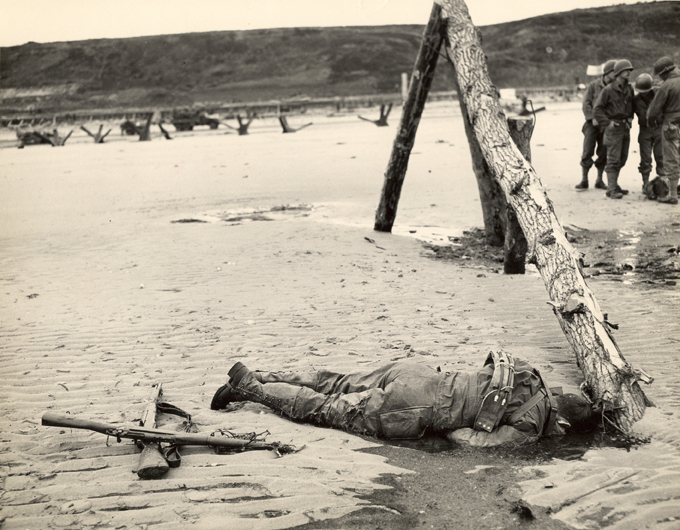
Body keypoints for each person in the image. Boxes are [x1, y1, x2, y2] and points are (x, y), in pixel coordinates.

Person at [210, 353, 596, 447]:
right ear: (561, 423)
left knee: (338, 382)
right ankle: (250, 387)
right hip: (420, 406)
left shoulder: (530, 374)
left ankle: (264, 373)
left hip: (419, 371)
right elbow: (468, 442)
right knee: (328, 411)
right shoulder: (531, 427)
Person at [594, 59, 635, 199]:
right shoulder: (608, 90)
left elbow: (631, 105)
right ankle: (611, 189)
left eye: (630, 70)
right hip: (613, 128)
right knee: (613, 159)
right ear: (618, 73)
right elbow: (597, 110)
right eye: (626, 70)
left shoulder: (629, 89)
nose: (629, 72)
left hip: (624, 128)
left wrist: (630, 118)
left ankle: (614, 184)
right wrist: (608, 123)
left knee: (622, 158)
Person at [576, 59, 617, 190]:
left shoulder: (614, 87)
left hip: (605, 125)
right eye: (614, 72)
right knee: (587, 151)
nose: (616, 75)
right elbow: (586, 104)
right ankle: (584, 179)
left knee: (604, 152)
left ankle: (599, 180)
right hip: (591, 125)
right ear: (607, 72)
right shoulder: (593, 85)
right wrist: (592, 117)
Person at [647, 56, 680, 205]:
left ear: (664, 72)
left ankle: (673, 195)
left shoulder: (667, 86)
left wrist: (652, 122)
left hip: (671, 125)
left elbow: (653, 111)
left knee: (671, 159)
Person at [633, 73, 664, 193]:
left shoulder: (659, 95)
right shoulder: (635, 100)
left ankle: (663, 182)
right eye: (641, 91)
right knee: (645, 158)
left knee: (661, 156)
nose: (644, 93)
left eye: (645, 91)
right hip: (644, 130)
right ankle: (645, 183)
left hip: (658, 129)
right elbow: (629, 112)